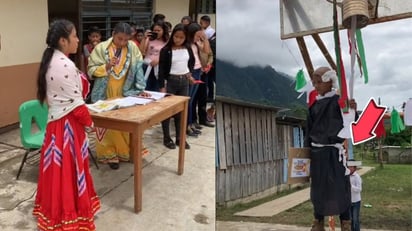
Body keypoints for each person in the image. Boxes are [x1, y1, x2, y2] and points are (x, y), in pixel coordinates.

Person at [33, 19, 100, 230]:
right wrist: (92, 124)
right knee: (69, 171)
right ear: (63, 40)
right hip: (67, 127)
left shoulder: (52, 59)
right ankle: (69, 215)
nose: (78, 40)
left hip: (56, 125)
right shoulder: (64, 64)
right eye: (74, 36)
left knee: (58, 171)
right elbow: (78, 105)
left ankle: (55, 211)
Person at [88, 22, 149, 170]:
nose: (122, 42)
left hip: (125, 90)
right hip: (105, 90)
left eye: (125, 40)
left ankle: (128, 151)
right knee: (108, 125)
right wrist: (107, 67)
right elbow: (91, 69)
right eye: (119, 38)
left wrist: (140, 88)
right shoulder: (101, 48)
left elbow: (138, 67)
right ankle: (110, 154)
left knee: (125, 123)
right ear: (113, 34)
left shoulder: (133, 48)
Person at [304, 66, 356, 231]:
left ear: (330, 81)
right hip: (317, 154)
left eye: (319, 82)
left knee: (341, 187)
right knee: (318, 189)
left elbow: (350, 122)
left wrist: (352, 108)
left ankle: (345, 223)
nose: (316, 85)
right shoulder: (313, 107)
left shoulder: (340, 102)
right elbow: (308, 133)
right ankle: (318, 222)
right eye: (314, 82)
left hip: (335, 152)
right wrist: (306, 155)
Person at [158, 23, 195, 150]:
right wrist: (162, 86)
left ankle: (180, 138)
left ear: (186, 38)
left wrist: (189, 74)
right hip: (171, 81)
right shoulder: (166, 50)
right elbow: (161, 70)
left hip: (184, 81)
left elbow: (191, 62)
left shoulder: (187, 48)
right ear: (172, 35)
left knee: (181, 111)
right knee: (167, 112)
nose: (178, 40)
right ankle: (167, 137)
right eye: (176, 36)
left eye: (181, 37)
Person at [186, 22, 212, 135]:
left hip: (198, 71)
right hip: (190, 73)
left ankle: (191, 123)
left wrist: (205, 39)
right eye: (196, 35)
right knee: (188, 100)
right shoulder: (186, 44)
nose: (198, 38)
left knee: (192, 100)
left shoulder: (196, 44)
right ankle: (187, 125)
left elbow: (206, 51)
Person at [139, 21, 169, 91]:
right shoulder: (149, 39)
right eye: (155, 30)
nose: (157, 32)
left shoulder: (167, 41)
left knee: (156, 88)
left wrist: (158, 60)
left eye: (159, 30)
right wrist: (144, 38)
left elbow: (168, 55)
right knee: (145, 88)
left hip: (159, 68)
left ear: (163, 31)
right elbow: (141, 51)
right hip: (147, 66)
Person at [82, 26, 102, 102]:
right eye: (93, 37)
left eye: (97, 36)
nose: (95, 39)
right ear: (89, 37)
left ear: (100, 37)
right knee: (90, 90)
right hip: (89, 73)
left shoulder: (102, 46)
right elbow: (88, 57)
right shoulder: (86, 47)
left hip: (100, 72)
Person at [348, 159, 362, 231]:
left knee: (355, 219)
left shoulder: (357, 177)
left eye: (351, 167)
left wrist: (351, 186)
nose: (349, 168)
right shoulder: (346, 176)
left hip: (356, 201)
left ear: (354, 168)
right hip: (348, 201)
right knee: (350, 219)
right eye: (348, 167)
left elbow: (359, 189)